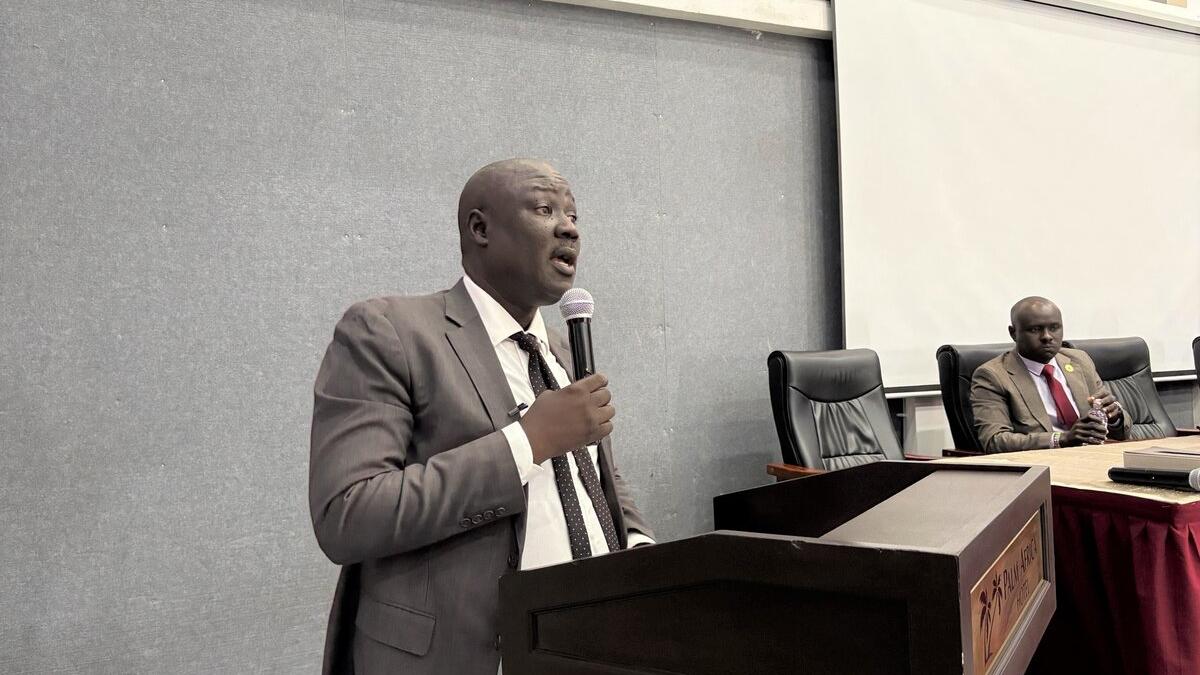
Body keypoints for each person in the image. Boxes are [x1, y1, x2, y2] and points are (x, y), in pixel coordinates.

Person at [308, 159, 654, 674]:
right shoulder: (390, 332)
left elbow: (593, 475)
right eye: (545, 208)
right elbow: (349, 514)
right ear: (480, 227)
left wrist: (640, 546)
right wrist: (527, 443)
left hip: (586, 645)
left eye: (574, 214)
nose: (570, 227)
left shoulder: (558, 347)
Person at [970, 296, 1129, 453]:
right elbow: (994, 441)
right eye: (1035, 329)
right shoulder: (993, 376)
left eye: (1054, 328)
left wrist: (1114, 417)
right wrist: (1062, 439)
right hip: (1043, 466)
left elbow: (1122, 433)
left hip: (1094, 456)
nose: (1047, 336)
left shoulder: (1079, 361)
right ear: (1013, 333)